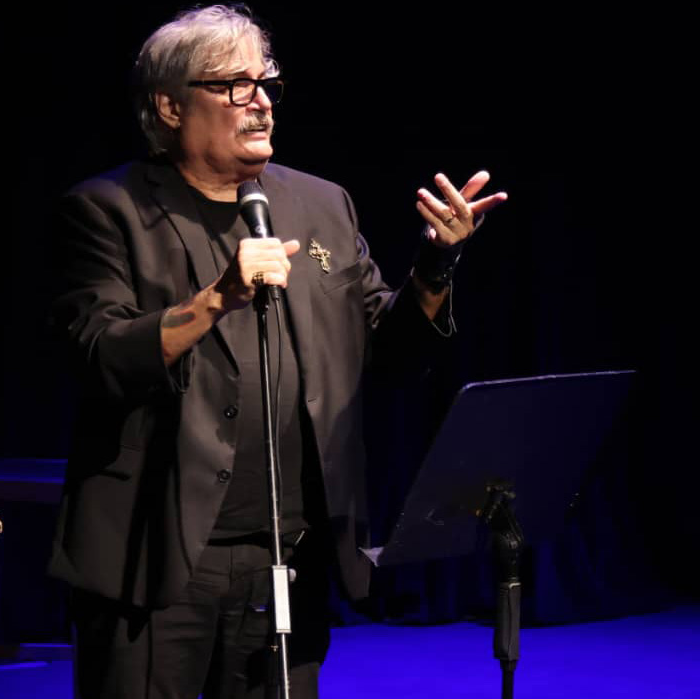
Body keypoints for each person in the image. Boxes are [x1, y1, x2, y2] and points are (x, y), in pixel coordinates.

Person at [47, 5, 507, 698]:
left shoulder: (321, 205)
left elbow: (386, 356)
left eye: (266, 82)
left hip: (288, 553)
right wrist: (216, 298)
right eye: (233, 84)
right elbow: (100, 357)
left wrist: (436, 267)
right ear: (170, 106)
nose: (259, 100)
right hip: (156, 558)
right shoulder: (107, 211)